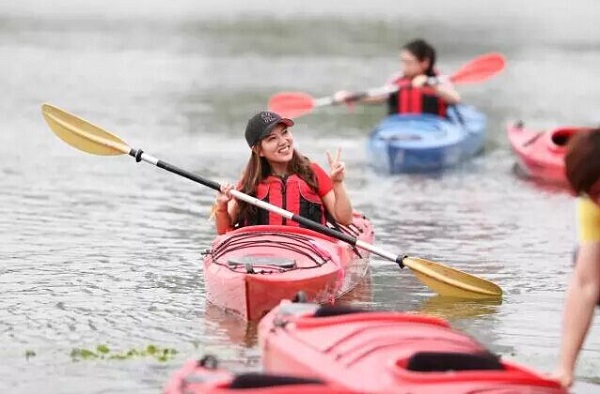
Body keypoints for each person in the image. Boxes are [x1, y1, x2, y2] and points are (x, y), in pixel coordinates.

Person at [213, 110, 353, 235]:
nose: (283, 141)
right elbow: (223, 229)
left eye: (285, 132)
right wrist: (222, 205)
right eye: (272, 138)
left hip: (310, 252)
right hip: (260, 252)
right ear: (258, 150)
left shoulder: (313, 173)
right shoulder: (250, 181)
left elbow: (344, 219)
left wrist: (338, 183)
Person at [553, 128, 600, 388]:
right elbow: (585, 284)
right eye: (594, 195)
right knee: (586, 259)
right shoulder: (590, 206)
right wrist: (565, 369)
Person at [334, 38, 460, 117]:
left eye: (408, 62)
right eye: (402, 62)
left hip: (433, 129)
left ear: (425, 62)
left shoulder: (439, 80)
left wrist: (432, 86)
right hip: (398, 128)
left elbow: (455, 99)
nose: (404, 67)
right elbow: (380, 97)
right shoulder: (397, 80)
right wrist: (350, 97)